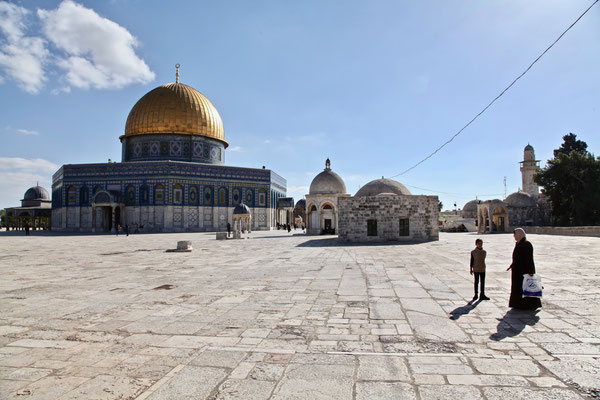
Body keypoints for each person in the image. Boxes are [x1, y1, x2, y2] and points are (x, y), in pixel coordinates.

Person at [507, 228, 542, 310]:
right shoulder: (519, 243)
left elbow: (529, 260)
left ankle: (528, 304)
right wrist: (512, 265)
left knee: (526, 287)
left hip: (524, 271)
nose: (514, 236)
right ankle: (518, 304)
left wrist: (531, 271)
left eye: (515, 234)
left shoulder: (526, 244)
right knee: (519, 288)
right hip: (518, 271)